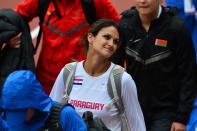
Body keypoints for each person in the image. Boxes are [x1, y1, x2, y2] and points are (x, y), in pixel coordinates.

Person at [113, 0, 197, 130]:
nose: (143, 1)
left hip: (165, 111)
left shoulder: (176, 28)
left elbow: (189, 76)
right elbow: (114, 67)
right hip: (132, 108)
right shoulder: (125, 25)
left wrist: (181, 118)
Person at [50, 19, 146, 131]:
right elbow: (52, 113)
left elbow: (137, 126)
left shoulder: (122, 80)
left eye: (116, 41)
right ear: (90, 37)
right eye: (107, 37)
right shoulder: (68, 72)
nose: (111, 44)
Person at [10, 0, 120, 95]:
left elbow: (118, 26)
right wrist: (11, 34)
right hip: (45, 79)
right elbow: (15, 16)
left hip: (81, 79)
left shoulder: (94, 3)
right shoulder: (42, 2)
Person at [0, 70, 87, 131]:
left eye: (21, 112)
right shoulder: (5, 118)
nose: (15, 118)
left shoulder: (65, 116)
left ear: (33, 103)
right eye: (10, 111)